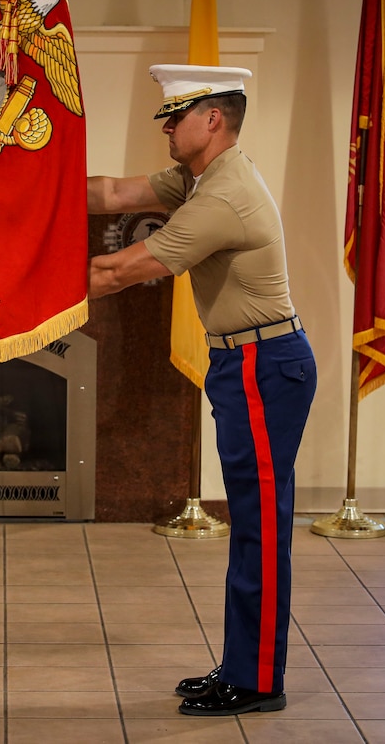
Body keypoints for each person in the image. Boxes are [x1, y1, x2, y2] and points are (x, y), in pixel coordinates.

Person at [87, 64, 317, 717]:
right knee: (250, 524)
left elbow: (115, 272)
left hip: (264, 364)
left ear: (211, 119)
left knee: (259, 529)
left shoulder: (221, 198)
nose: (163, 125)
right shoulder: (196, 179)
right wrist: (18, 188)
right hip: (242, 363)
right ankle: (242, 665)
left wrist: (18, 289)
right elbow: (109, 193)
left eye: (175, 115)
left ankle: (257, 680)